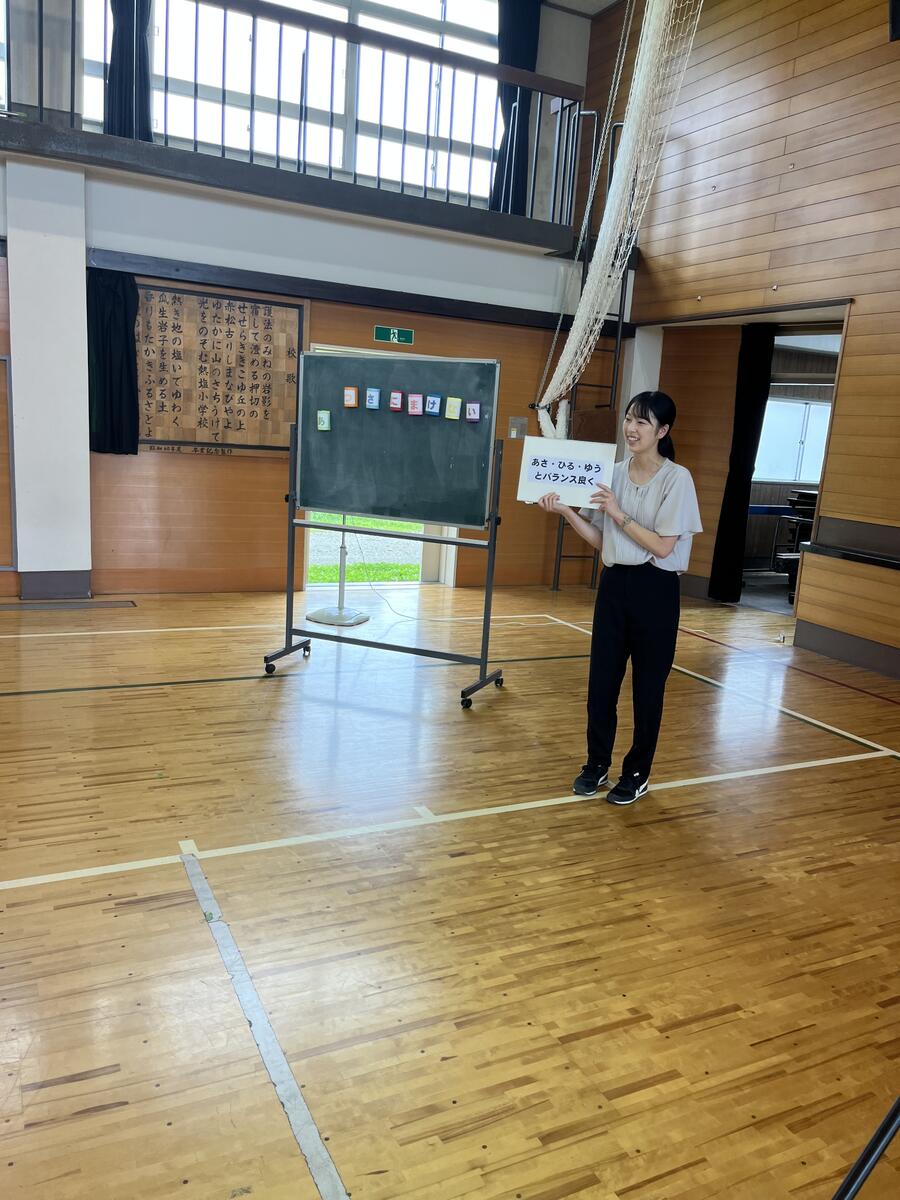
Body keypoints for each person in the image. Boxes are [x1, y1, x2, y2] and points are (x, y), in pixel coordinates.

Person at [539, 391, 702, 806]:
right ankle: (596, 763)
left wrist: (616, 512)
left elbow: (663, 547)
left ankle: (637, 773)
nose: (631, 428)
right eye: (629, 419)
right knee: (601, 684)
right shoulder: (610, 473)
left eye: (642, 422)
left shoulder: (676, 479)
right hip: (614, 586)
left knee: (648, 689)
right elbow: (602, 540)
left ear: (662, 431)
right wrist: (567, 512)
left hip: (655, 590)